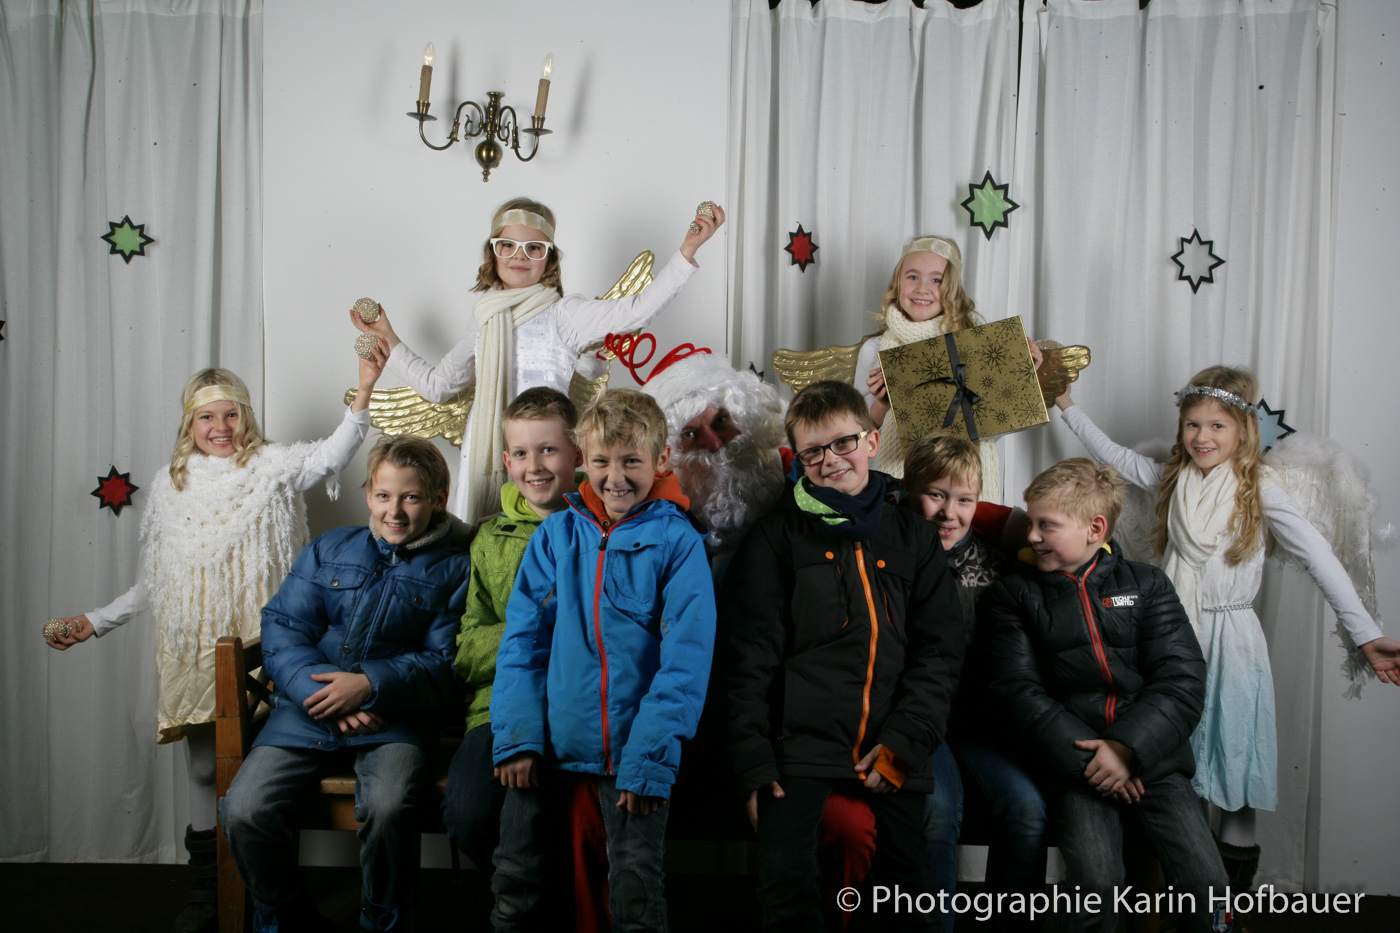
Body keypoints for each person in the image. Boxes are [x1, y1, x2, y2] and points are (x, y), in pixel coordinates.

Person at [44, 356, 386, 933]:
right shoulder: (172, 486)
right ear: (190, 424)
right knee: (206, 769)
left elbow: (331, 456)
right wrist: (96, 620)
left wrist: (366, 390)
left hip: (266, 644)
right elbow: (157, 581)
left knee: (271, 763)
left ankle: (268, 888)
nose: (221, 427)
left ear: (246, 417)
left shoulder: (272, 468)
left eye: (231, 414)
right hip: (196, 645)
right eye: (207, 417)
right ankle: (209, 888)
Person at [1054, 367, 1400, 887]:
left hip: (1231, 642)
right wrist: (1065, 403)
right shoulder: (1173, 478)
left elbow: (1319, 558)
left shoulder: (1260, 487)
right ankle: (1182, 900)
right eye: (1193, 424)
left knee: (1234, 767)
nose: (1203, 437)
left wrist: (1366, 634)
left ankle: (1226, 910)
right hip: (1172, 639)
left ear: (1243, 430)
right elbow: (1114, 456)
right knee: (1174, 763)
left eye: (1217, 426)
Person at [719, 380, 965, 932]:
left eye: (843, 443)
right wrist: (753, 763)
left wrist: (905, 742)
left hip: (892, 746)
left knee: (908, 896)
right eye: (812, 452)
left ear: (871, 441)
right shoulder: (776, 537)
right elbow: (747, 661)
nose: (830, 460)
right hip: (798, 754)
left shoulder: (914, 536)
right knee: (786, 884)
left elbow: (940, 654)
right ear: (797, 460)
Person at [219, 435, 471, 933]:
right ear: (368, 494)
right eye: (383, 495)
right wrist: (321, 693)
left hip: (394, 719)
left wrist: (368, 685)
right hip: (306, 709)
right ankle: (286, 917)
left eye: (411, 497)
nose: (394, 511)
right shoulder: (329, 548)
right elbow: (284, 626)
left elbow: (445, 661)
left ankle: (381, 917)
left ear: (438, 499)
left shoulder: (456, 568)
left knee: (390, 805)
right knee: (243, 810)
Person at [490, 388, 715, 933]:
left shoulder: (679, 543)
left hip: (632, 755)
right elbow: (522, 644)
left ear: (661, 459)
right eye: (601, 461)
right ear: (582, 461)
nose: (615, 477)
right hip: (547, 746)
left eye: (631, 461)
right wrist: (519, 739)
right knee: (515, 883)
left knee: (635, 893)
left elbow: (685, 663)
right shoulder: (556, 536)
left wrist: (649, 760)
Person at [351, 197, 725, 524]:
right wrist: (388, 337)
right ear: (492, 253)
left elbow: (637, 310)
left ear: (549, 258)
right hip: (487, 457)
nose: (519, 256)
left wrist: (687, 251)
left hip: (546, 461)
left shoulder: (565, 315)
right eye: (507, 245)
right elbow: (439, 387)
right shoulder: (483, 318)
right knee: (486, 546)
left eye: (534, 248)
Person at [980, 458, 1229, 933]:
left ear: (1095, 528)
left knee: (1207, 885)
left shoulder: (1147, 584)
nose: (1030, 535)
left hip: (1154, 763)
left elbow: (1181, 679)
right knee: (1096, 886)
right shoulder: (1012, 596)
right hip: (1077, 768)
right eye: (1031, 522)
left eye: (1046, 525)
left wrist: (1128, 750)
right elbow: (1018, 693)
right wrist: (1099, 763)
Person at [902, 434, 1046, 933]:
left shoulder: (998, 567)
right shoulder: (890, 555)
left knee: (1027, 810)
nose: (949, 513)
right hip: (916, 720)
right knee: (938, 811)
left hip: (977, 725)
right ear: (910, 490)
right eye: (935, 495)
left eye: (964, 500)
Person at [442, 386, 582, 876]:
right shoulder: (488, 537)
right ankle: (517, 897)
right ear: (506, 460)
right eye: (521, 453)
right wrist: (530, 635)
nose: (534, 466)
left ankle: (553, 900)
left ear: (577, 453)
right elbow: (467, 651)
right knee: (468, 813)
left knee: (559, 815)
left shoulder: (602, 524)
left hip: (576, 705)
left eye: (548, 449)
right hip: (496, 708)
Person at [856, 235, 999, 502]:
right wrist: (882, 404)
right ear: (897, 283)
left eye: (936, 280)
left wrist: (1025, 373)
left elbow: (995, 426)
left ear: (952, 288)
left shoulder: (972, 345)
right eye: (913, 277)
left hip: (959, 480)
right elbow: (857, 433)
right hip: (898, 481)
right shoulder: (874, 350)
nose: (923, 288)